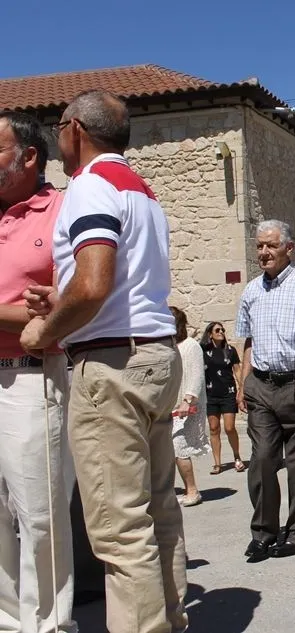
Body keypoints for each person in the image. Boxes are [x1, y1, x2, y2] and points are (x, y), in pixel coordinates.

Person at [20, 90, 188, 633]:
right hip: (152, 353)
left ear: (74, 128)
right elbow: (114, 283)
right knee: (158, 511)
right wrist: (63, 296)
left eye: (57, 127)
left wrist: (44, 328)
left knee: (120, 528)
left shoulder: (89, 185)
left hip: (111, 365)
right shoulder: (140, 189)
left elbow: (94, 285)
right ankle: (170, 619)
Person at [0, 111, 76, 633]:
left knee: (39, 515)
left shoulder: (62, 212)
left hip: (32, 375)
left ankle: (49, 626)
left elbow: (66, 309)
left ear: (29, 156)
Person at [236, 219, 295, 562]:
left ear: (288, 248)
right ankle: (263, 532)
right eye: (259, 246)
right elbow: (249, 341)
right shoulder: (251, 290)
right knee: (262, 459)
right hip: (261, 385)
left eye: (271, 245)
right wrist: (244, 383)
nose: (263, 252)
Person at [169, 308, 209, 507]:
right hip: (170, 404)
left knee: (179, 446)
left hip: (187, 405)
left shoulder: (190, 346)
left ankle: (192, 491)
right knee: (168, 450)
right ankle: (174, 491)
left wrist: (188, 399)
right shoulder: (168, 346)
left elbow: (196, 376)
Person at [199, 322, 247, 473]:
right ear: (210, 334)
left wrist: (242, 389)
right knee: (214, 428)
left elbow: (237, 370)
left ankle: (237, 457)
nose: (221, 332)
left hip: (228, 393)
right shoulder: (202, 350)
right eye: (217, 330)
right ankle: (217, 463)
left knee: (229, 427)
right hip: (210, 394)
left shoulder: (230, 350)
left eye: (222, 330)